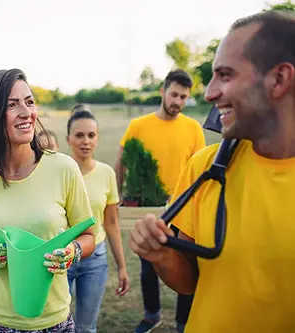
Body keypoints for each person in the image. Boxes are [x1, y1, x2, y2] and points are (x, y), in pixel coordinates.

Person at [128, 10, 295, 333]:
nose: (209, 93)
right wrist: (161, 255)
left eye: (226, 75)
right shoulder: (206, 167)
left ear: (279, 79)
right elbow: (189, 282)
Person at [0, 68, 96, 333]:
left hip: (52, 321)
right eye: (12, 105)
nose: (26, 112)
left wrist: (72, 251)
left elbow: (88, 236)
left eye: (29, 102)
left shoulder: (64, 168)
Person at [114, 69, 206, 333]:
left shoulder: (192, 128)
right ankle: (152, 316)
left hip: (185, 210)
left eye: (183, 97)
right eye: (174, 94)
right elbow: (122, 160)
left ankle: (182, 323)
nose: (177, 101)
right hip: (150, 208)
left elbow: (199, 171)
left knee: (188, 265)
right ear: (163, 92)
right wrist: (120, 195)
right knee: (149, 266)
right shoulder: (139, 126)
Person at [65, 110, 130, 333]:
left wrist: (122, 266)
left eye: (91, 135)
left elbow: (111, 222)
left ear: (97, 138)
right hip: (61, 257)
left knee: (86, 327)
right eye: (79, 135)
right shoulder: (59, 172)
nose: (86, 141)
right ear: (68, 139)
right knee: (54, 325)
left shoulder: (107, 173)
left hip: (95, 259)